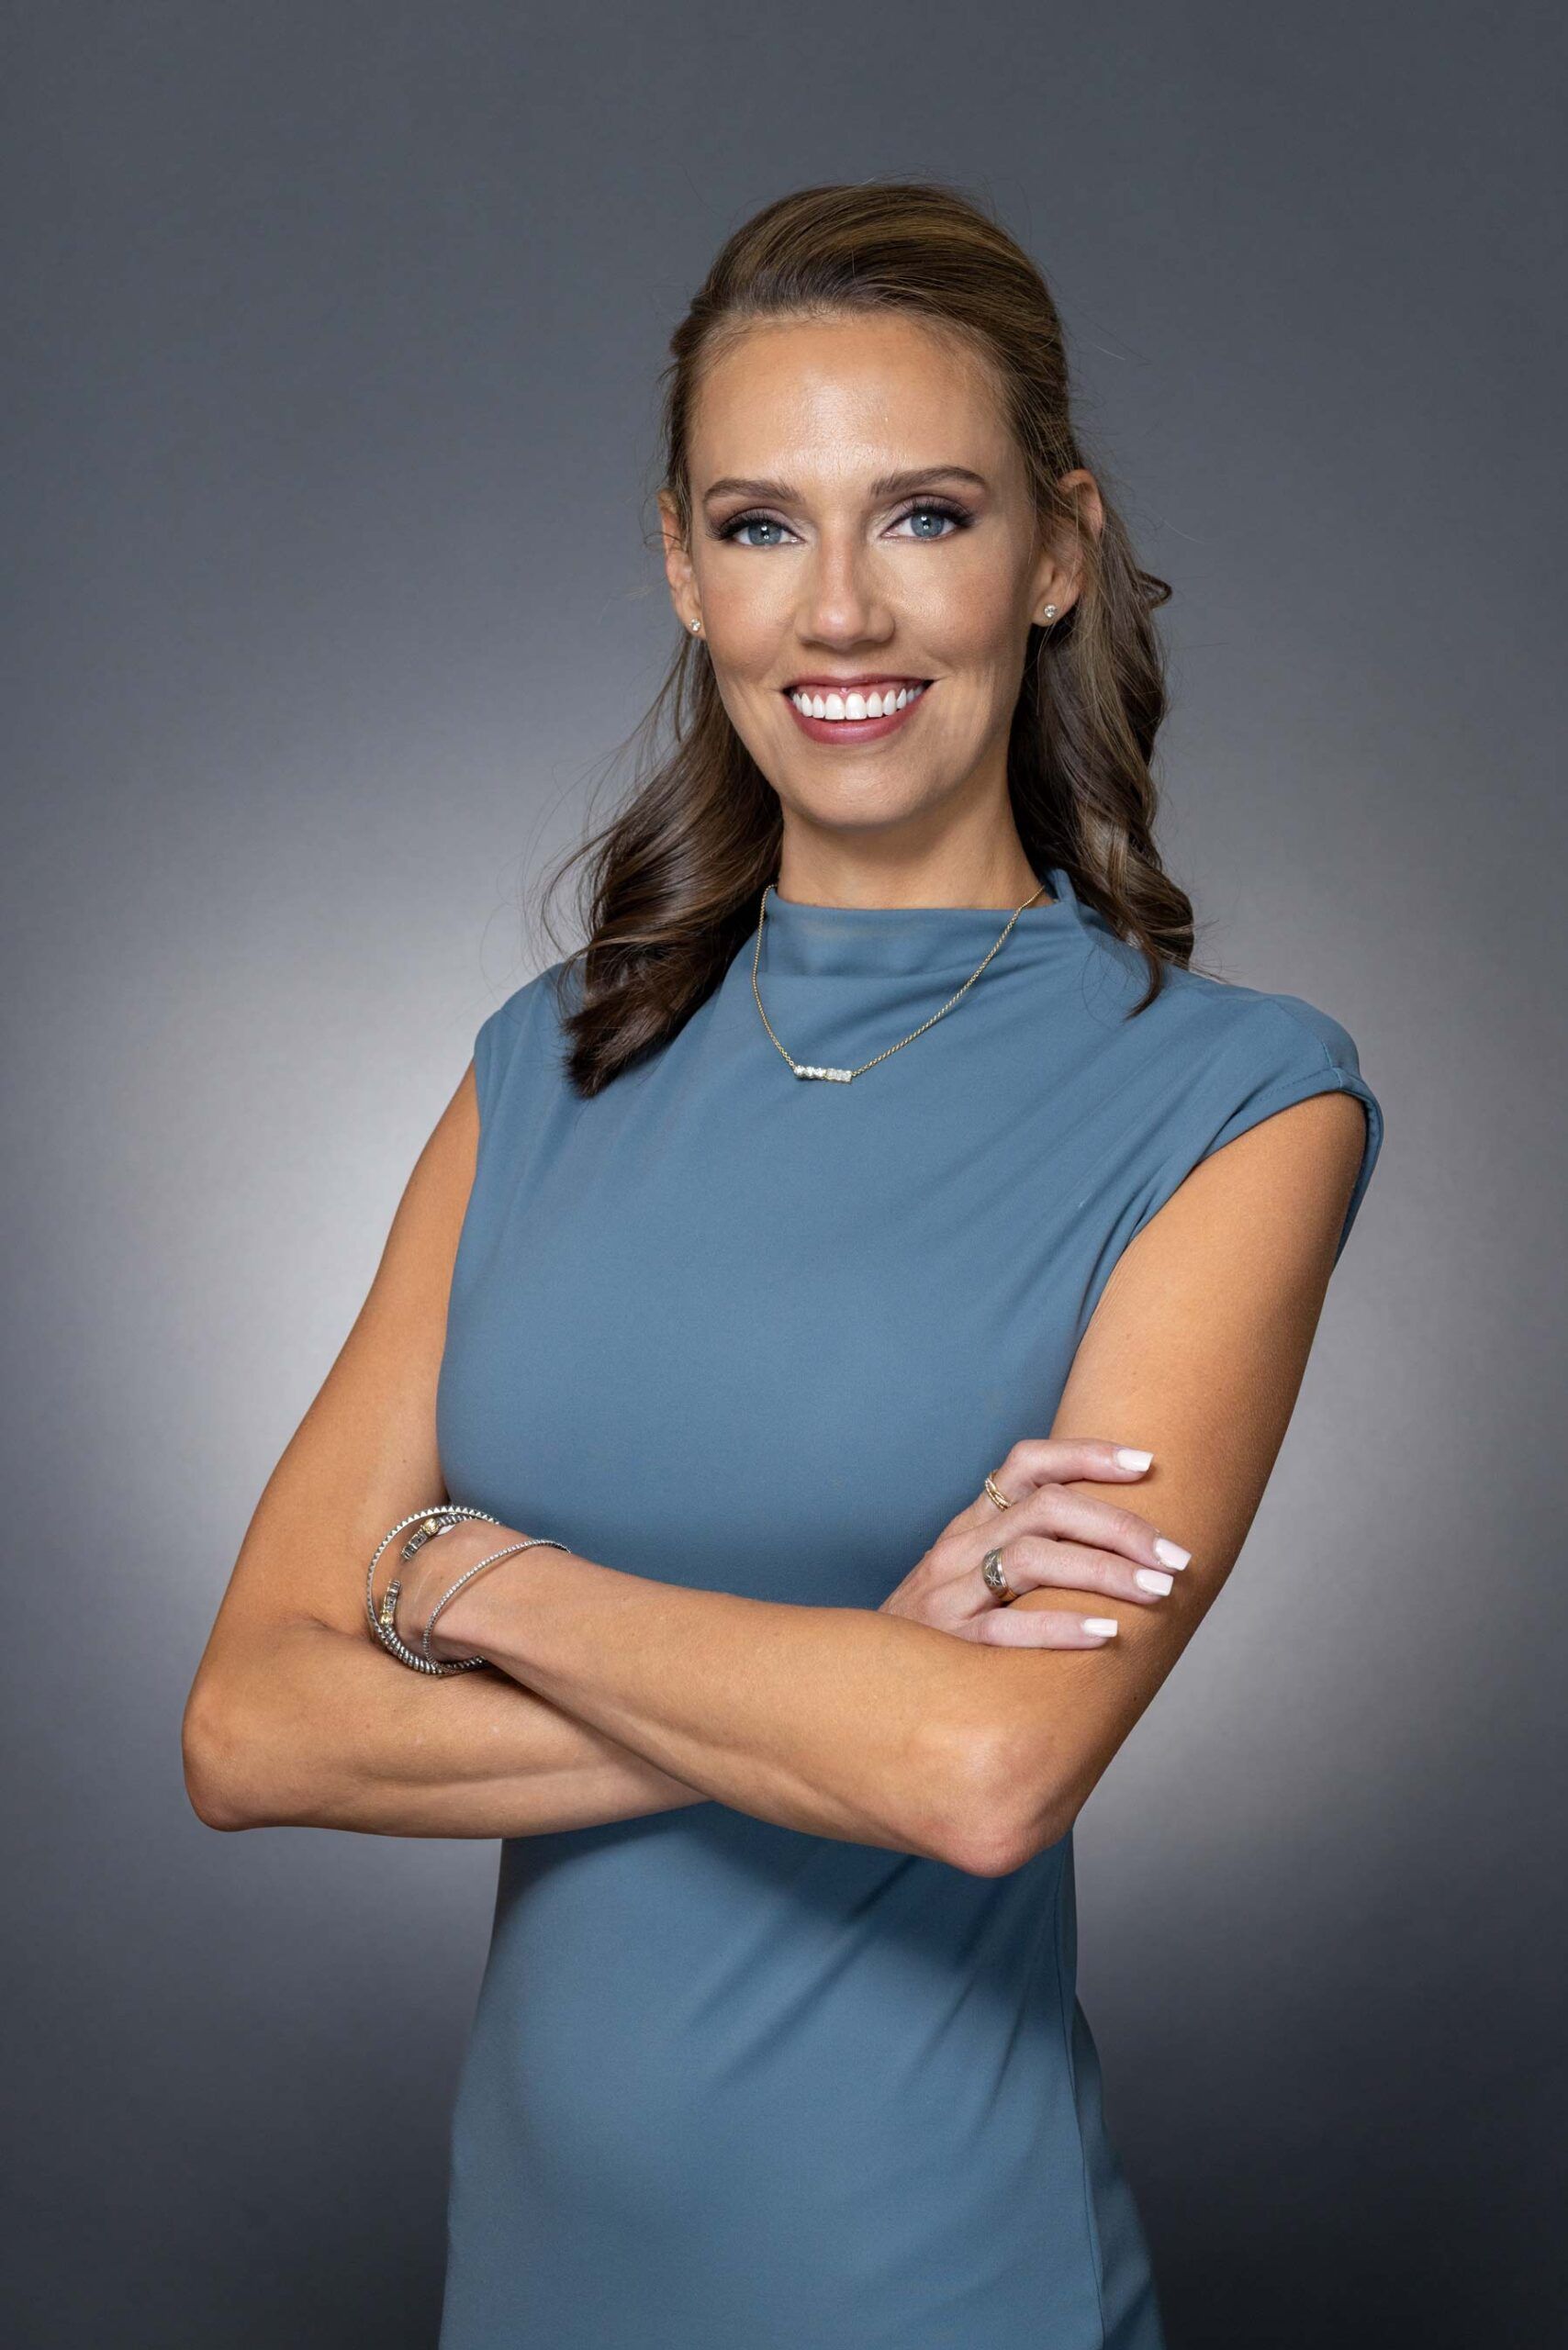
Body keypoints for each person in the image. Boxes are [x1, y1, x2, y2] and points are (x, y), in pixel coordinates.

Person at [183, 178, 1385, 2350]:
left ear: (1055, 549)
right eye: (759, 526)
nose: (838, 611)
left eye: (920, 513)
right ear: (681, 563)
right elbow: (253, 1722)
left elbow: (981, 1774)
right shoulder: (539, 1067)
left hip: (942, 2281)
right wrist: (844, 1678)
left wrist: (464, 1577)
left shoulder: (1233, 1103)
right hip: (533, 2288)